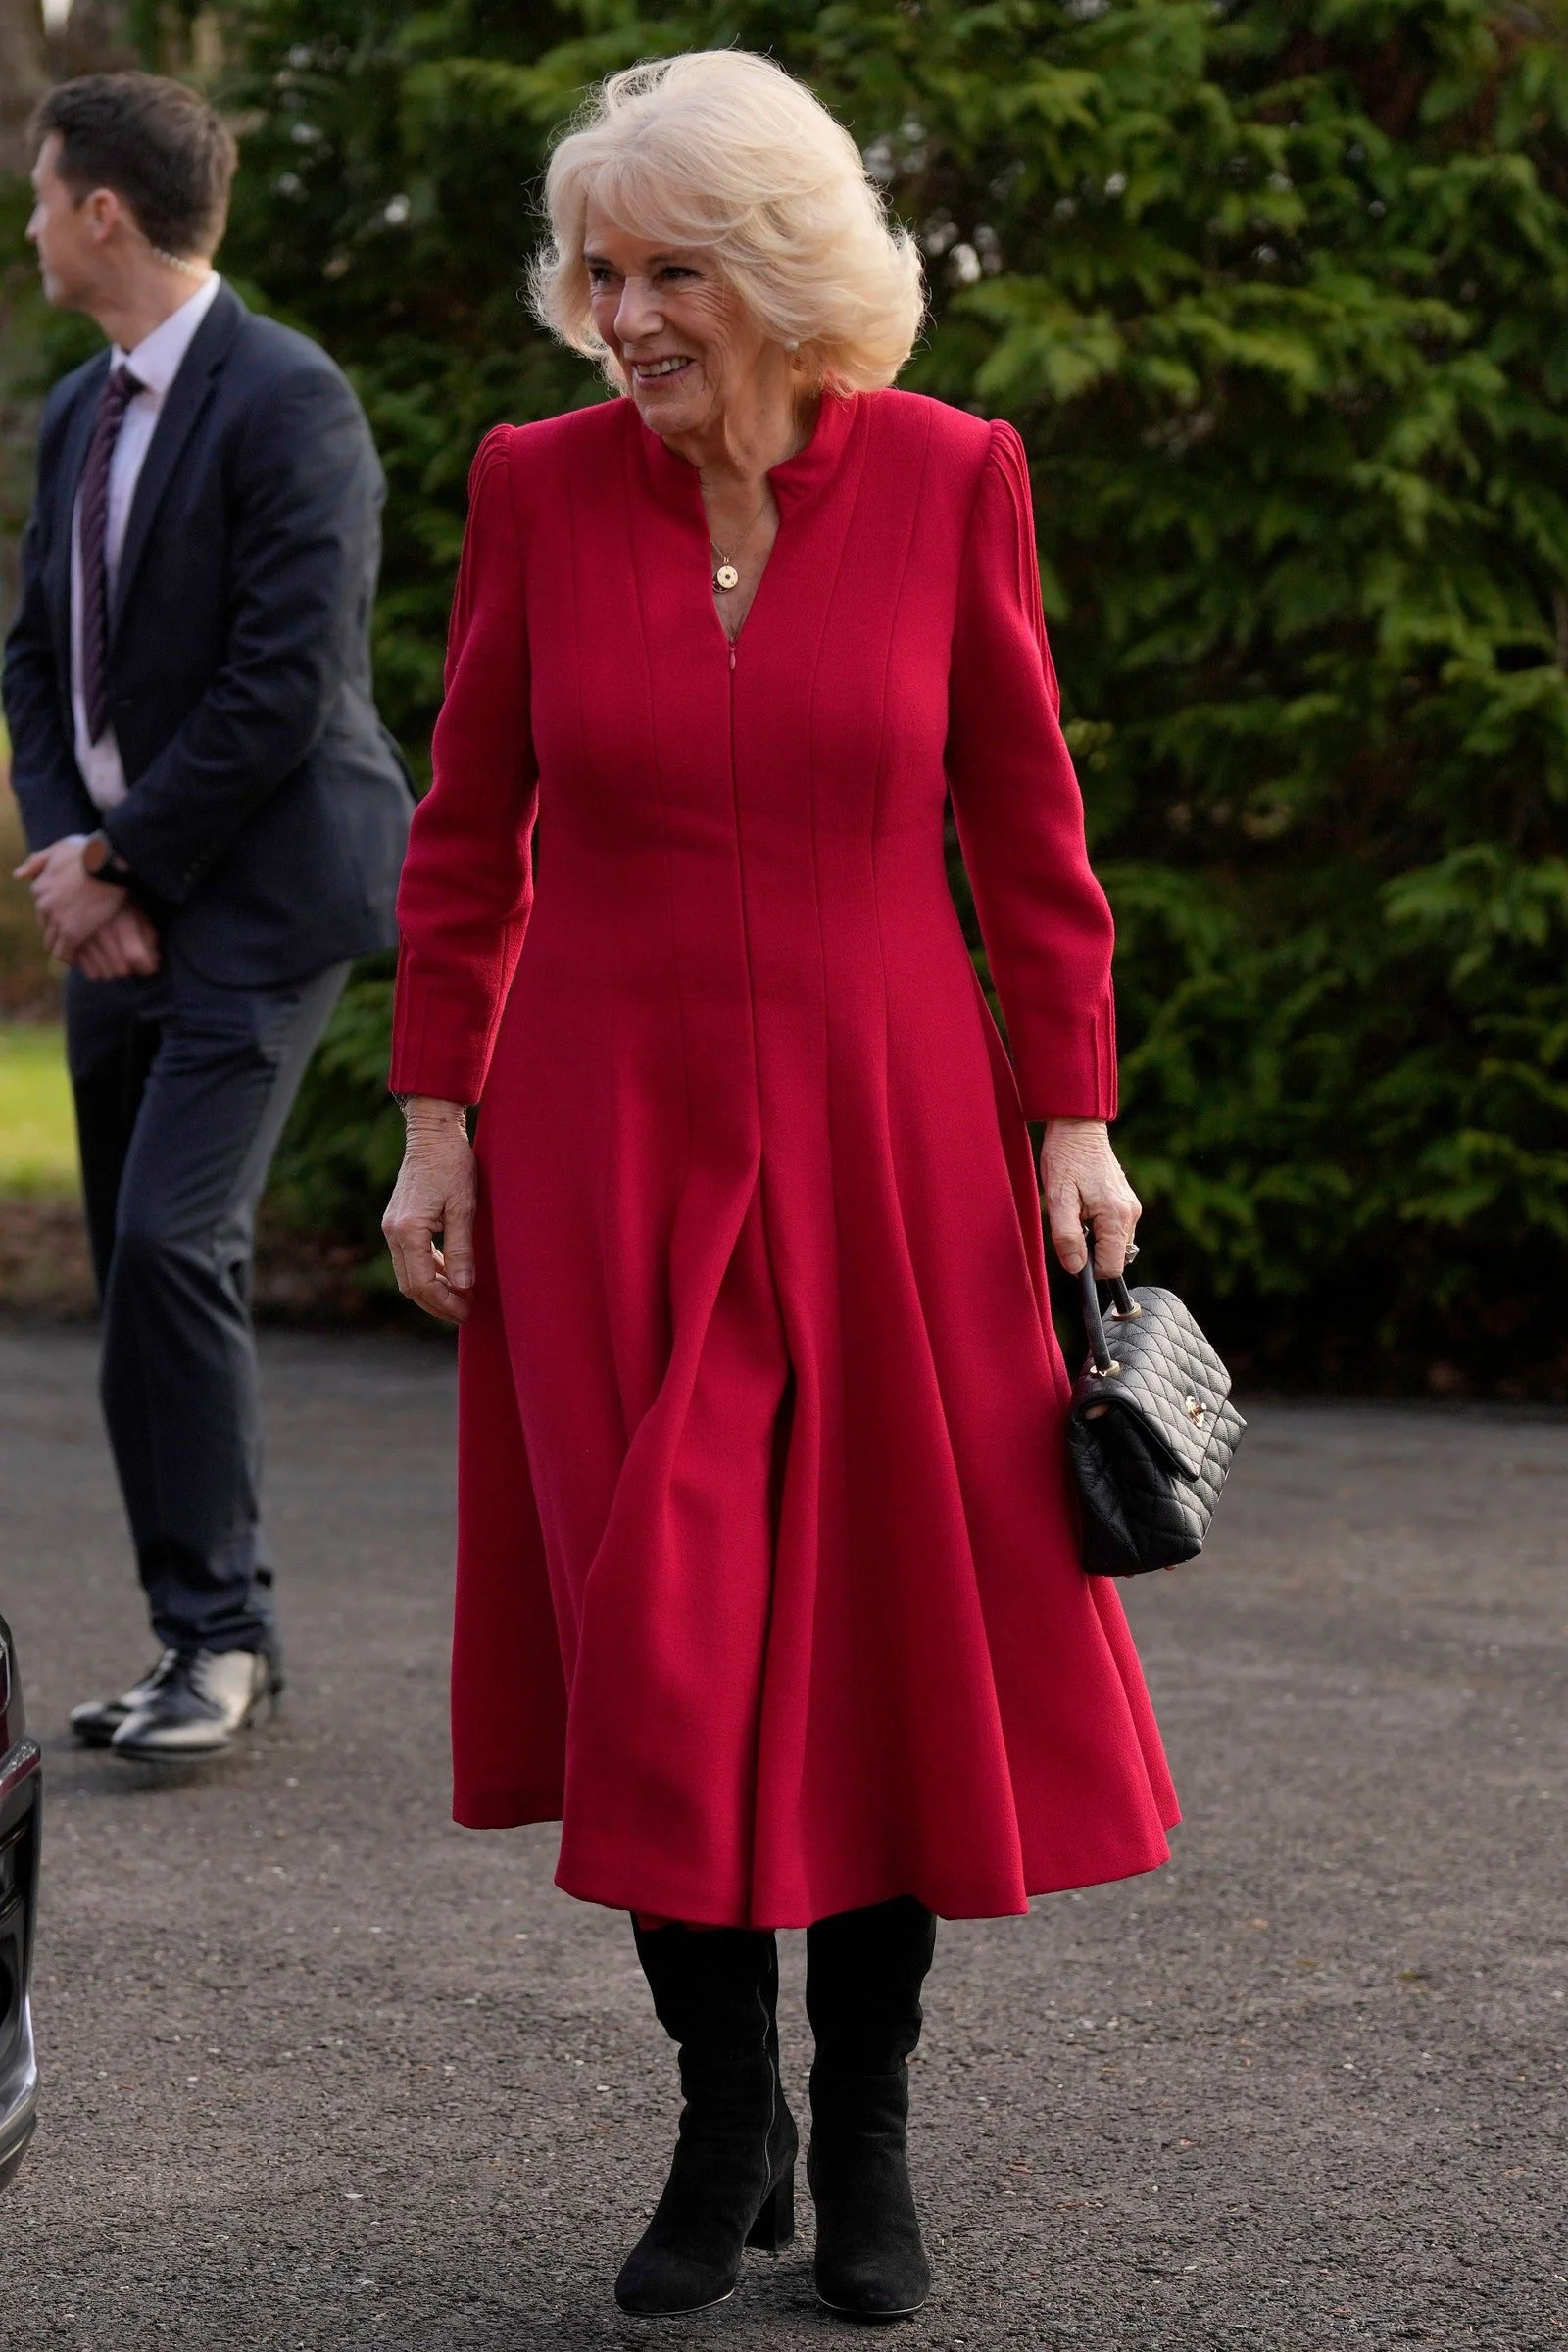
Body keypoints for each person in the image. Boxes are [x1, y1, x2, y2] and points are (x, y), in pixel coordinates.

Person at [381, 50, 1177, 2322]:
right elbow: (466, 837)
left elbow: (1028, 837)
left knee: (874, 1638)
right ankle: (720, 2115)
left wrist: (1072, 1112)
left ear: (783, 275)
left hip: (889, 1133)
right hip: (605, 1136)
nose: (620, 316)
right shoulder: (535, 490)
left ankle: (870, 2125)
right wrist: (438, 1120)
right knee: (662, 1635)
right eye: (597, 272)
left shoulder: (947, 480)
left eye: (668, 272)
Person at [3, 74, 414, 1762]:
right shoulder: (74, 409)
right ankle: (200, 1637)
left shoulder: (289, 397)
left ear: (106, 210)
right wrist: (71, 858)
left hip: (258, 890)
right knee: (140, 1265)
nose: (26, 223)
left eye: (40, 195)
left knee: (180, 1241)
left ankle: (224, 1640)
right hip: (125, 893)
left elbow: (280, 687)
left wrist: (127, 867)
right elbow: (31, 655)